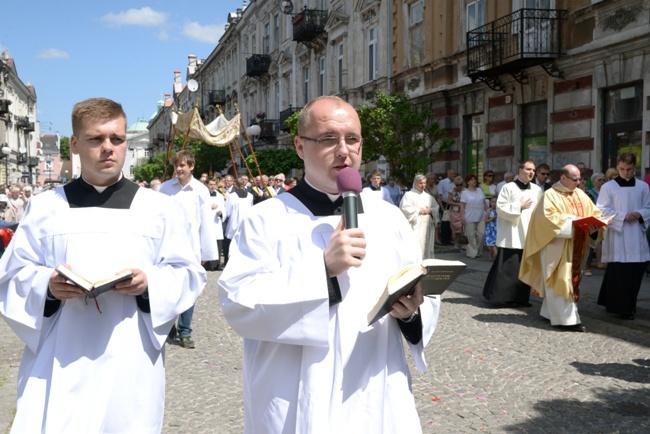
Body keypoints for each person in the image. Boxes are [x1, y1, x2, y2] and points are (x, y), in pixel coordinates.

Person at [218, 96, 439, 433]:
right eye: (328, 139)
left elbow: (417, 290)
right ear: (300, 146)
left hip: (375, 384)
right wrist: (322, 269)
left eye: (352, 139)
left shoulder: (388, 218)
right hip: (295, 390)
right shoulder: (266, 219)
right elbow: (238, 302)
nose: (343, 150)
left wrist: (410, 311)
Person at [0, 97, 206, 432]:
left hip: (130, 358)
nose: (108, 148)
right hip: (58, 357)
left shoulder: (159, 209)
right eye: (96, 139)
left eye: (117, 139)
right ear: (75, 145)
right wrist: (47, 286)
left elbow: (188, 273)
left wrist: (149, 283)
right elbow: (11, 277)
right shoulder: (44, 208)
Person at [519, 164, 602, 332]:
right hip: (557, 247)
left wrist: (596, 225)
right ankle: (568, 320)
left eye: (580, 179)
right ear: (563, 178)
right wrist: (574, 221)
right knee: (561, 281)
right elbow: (547, 220)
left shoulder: (580, 194)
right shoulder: (550, 195)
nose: (578, 183)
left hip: (578, 245)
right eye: (575, 179)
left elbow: (594, 213)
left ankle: (550, 312)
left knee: (568, 280)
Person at [160, 150, 218, 348]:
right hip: (169, 247)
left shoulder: (200, 190)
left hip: (191, 247)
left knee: (190, 290)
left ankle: (185, 331)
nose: (178, 169)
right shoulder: (166, 188)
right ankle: (169, 326)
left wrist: (206, 252)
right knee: (170, 289)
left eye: (182, 165)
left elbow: (206, 223)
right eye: (176, 165)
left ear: (191, 166)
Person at [597, 152, 650, 320]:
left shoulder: (643, 186)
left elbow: (648, 207)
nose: (625, 172)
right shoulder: (608, 187)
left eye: (629, 169)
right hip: (618, 236)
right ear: (617, 166)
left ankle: (629, 304)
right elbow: (601, 210)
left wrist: (639, 214)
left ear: (635, 168)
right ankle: (620, 307)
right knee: (619, 272)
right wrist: (622, 216)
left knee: (634, 272)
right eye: (622, 169)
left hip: (636, 235)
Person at [482, 160, 542, 306]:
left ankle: (520, 298)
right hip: (512, 233)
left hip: (529, 233)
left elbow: (541, 211)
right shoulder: (508, 188)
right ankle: (500, 298)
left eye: (533, 170)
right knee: (508, 267)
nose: (531, 172)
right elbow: (500, 208)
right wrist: (518, 206)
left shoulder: (537, 189)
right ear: (520, 170)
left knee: (525, 267)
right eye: (528, 169)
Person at [400, 173, 439, 259]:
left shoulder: (428, 196)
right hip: (416, 224)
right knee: (417, 245)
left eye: (424, 183)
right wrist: (418, 211)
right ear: (415, 183)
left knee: (427, 246)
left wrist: (431, 210)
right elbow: (404, 208)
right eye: (421, 183)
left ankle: (427, 261)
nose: (423, 185)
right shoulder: (408, 195)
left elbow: (436, 207)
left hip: (427, 225)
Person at [223, 176, 254, 265]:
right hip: (245, 223)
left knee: (230, 243)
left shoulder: (231, 196)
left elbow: (228, 212)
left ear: (235, 184)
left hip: (234, 223)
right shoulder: (250, 196)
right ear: (244, 184)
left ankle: (228, 261)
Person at [459, 173, 487, 258]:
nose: (474, 181)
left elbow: (484, 202)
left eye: (474, 179)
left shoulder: (479, 190)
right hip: (469, 216)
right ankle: (472, 253)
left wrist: (487, 212)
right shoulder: (465, 192)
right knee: (470, 236)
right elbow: (462, 206)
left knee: (481, 234)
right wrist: (462, 217)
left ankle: (478, 250)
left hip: (481, 215)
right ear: (467, 182)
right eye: (471, 179)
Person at [206, 178, 226, 271]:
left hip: (216, 223)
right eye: (211, 184)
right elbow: (200, 208)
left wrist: (221, 213)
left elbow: (223, 208)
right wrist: (210, 207)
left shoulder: (219, 196)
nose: (212, 186)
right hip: (207, 223)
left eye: (214, 184)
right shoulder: (204, 195)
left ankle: (216, 264)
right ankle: (208, 264)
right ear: (207, 185)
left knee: (218, 244)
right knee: (208, 243)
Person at [437, 168, 457, 245]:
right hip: (445, 203)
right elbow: (440, 195)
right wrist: (442, 207)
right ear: (448, 174)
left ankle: (449, 239)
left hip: (453, 203)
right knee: (445, 222)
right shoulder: (443, 182)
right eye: (452, 174)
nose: (454, 175)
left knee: (451, 222)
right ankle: (444, 239)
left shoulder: (455, 182)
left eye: (455, 174)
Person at [447, 175, 464, 250]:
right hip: (455, 212)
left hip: (464, 212)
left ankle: (464, 243)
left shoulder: (465, 191)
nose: (459, 186)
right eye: (457, 185)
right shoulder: (452, 191)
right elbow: (449, 201)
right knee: (454, 229)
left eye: (461, 184)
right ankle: (455, 244)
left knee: (463, 229)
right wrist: (458, 204)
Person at [484, 196, 498, 260]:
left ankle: (493, 256)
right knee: (491, 245)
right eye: (493, 202)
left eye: (496, 202)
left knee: (493, 244)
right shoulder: (489, 211)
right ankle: (493, 256)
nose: (494, 203)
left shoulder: (499, 211)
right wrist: (492, 218)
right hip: (490, 229)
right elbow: (486, 220)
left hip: (496, 228)